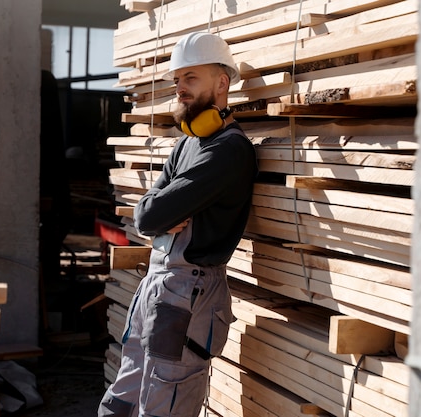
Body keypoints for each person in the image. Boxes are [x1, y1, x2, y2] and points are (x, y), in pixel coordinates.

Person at [98, 31, 257, 417]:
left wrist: (160, 212)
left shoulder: (228, 151)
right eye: (177, 80)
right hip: (156, 282)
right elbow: (146, 214)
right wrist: (159, 211)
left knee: (164, 401)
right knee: (125, 393)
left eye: (191, 78)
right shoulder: (187, 144)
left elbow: (151, 215)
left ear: (222, 82)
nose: (180, 88)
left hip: (190, 291)